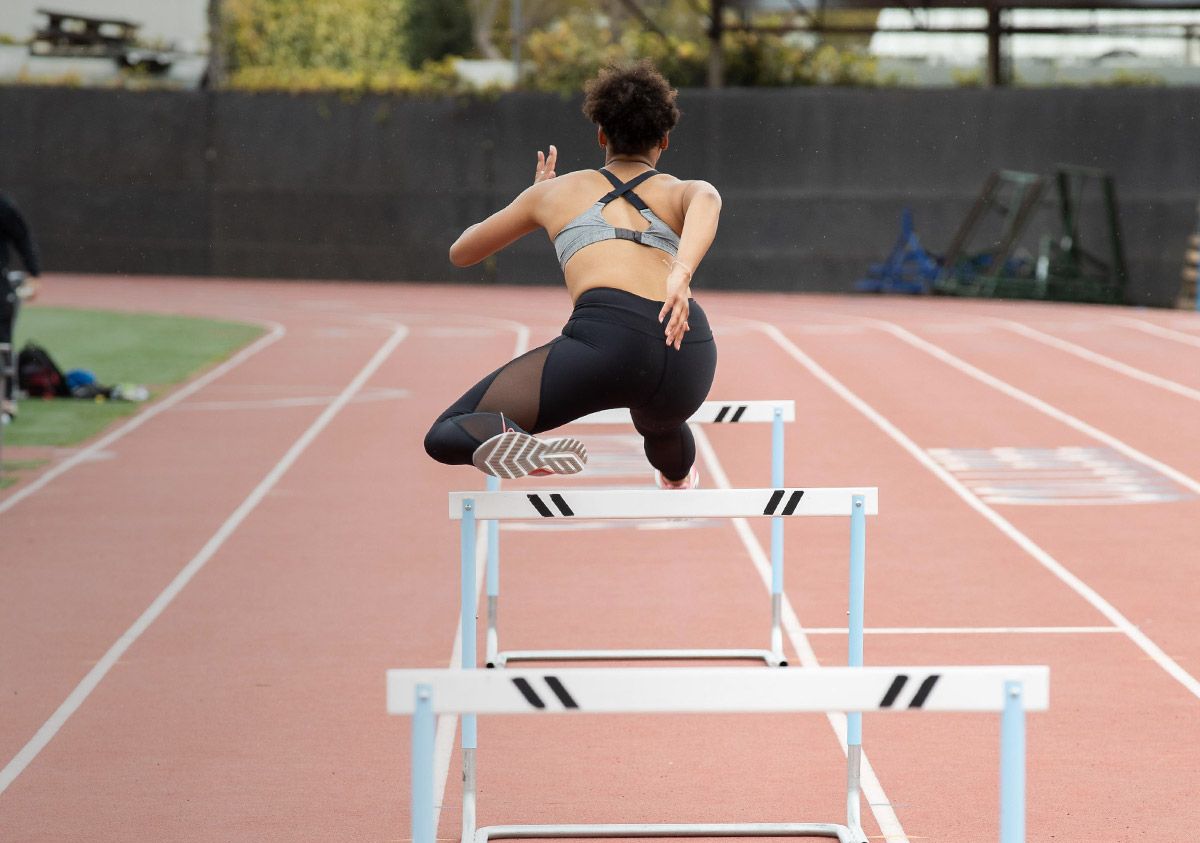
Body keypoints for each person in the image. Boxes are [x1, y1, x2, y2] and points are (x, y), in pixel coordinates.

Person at [423, 61, 721, 489]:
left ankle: (513, 438)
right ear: (665, 140)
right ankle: (678, 475)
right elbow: (708, 198)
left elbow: (462, 252)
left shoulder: (554, 193)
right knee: (660, 422)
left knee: (449, 429)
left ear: (601, 134)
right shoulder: (678, 190)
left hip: (609, 340)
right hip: (688, 347)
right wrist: (681, 273)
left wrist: (531, 197)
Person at [0, 192, 41, 425]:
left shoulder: (3, 206)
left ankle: (6, 401)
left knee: (3, 342)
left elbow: (22, 237)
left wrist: (34, 273)